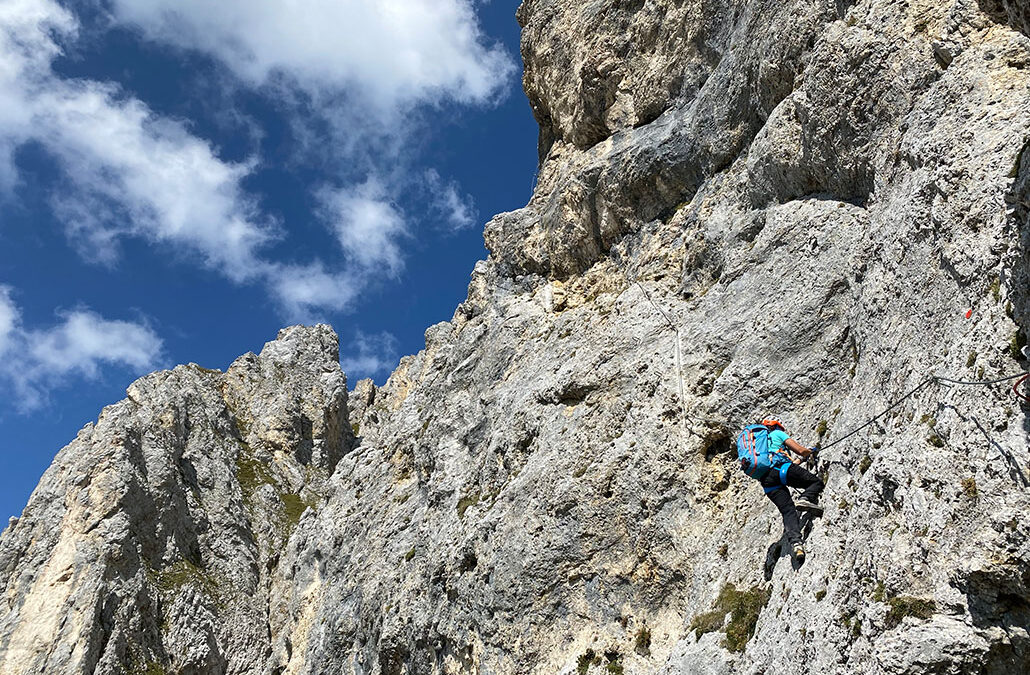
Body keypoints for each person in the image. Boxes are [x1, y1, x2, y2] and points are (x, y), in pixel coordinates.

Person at [757, 418, 824, 560]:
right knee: (816, 483)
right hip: (782, 469)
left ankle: (796, 544)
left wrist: (801, 461)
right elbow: (800, 450)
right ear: (776, 427)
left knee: (788, 511)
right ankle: (804, 499)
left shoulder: (759, 447)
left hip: (768, 482)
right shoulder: (777, 434)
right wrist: (809, 452)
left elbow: (788, 463)